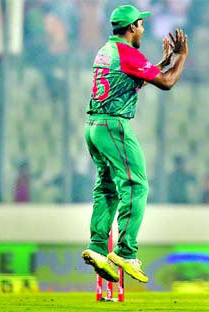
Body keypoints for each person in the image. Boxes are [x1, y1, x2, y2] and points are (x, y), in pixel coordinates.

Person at [81, 4, 188, 284]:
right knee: (135, 184)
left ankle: (97, 248)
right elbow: (166, 83)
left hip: (93, 126)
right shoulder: (128, 53)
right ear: (131, 28)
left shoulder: (106, 50)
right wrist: (181, 58)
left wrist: (163, 61)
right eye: (140, 24)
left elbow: (133, 77)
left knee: (107, 187)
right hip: (114, 126)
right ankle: (126, 252)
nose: (143, 28)